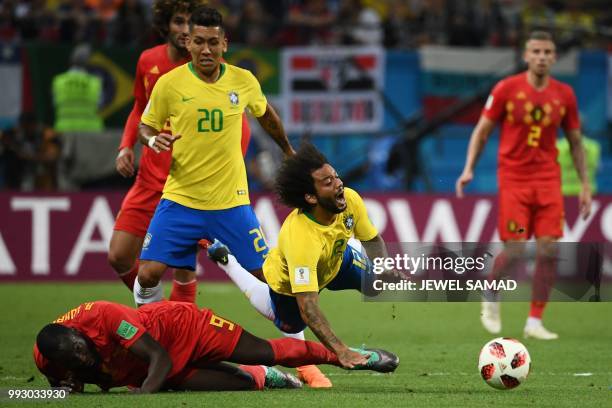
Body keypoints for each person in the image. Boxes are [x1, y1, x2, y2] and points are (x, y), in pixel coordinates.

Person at [135, 6, 332, 387]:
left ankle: (305, 362)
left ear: (224, 43)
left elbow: (267, 116)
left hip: (232, 205)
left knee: (277, 282)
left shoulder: (242, 81)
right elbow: (146, 124)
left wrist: (288, 150)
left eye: (213, 42)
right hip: (180, 201)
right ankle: (152, 349)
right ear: (187, 42)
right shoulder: (170, 85)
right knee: (147, 274)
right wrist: (150, 139)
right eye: (199, 42)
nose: (206, 49)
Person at [205, 143, 398, 369]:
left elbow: (372, 240)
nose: (339, 183)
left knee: (375, 286)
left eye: (335, 176)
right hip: (288, 286)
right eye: (328, 182)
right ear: (310, 197)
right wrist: (342, 351)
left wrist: (384, 268)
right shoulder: (301, 238)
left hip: (336, 260)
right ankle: (228, 262)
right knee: (291, 327)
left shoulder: (350, 199)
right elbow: (308, 307)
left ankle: (351, 253)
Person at [455, 30, 592, 340]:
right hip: (514, 179)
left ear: (554, 57)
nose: (542, 57)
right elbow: (482, 131)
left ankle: (534, 321)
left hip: (548, 179)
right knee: (515, 249)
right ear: (526, 56)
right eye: (537, 52)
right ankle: (491, 289)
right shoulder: (506, 89)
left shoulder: (564, 94)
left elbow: (574, 141)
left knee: (549, 248)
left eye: (547, 52)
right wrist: (468, 169)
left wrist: (585, 185)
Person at [33, 300, 398, 393]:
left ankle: (350, 356)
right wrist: (64, 389)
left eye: (81, 350)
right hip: (156, 370)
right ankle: (271, 379)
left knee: (270, 350)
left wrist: (143, 394)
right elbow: (62, 385)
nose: (81, 358)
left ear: (78, 332)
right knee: (243, 383)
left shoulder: (103, 315)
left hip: (184, 328)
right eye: (73, 360)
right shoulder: (48, 359)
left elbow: (158, 356)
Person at [109, 0, 208, 303]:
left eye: (193, 24)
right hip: (149, 179)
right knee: (119, 256)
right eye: (179, 22)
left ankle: (181, 334)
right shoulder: (147, 61)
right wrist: (126, 146)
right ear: (165, 24)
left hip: (187, 183)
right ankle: (162, 315)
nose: (186, 30)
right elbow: (140, 108)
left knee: (183, 267)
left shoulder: (205, 68)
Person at [52, 43, 103, 134]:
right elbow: (100, 105)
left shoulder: (59, 81)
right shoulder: (95, 82)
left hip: (64, 131)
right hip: (91, 132)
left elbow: (55, 103)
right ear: (88, 62)